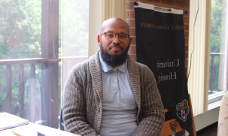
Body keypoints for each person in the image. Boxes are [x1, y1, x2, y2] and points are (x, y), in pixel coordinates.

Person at [61, 17, 165, 136]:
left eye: (122, 36)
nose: (116, 40)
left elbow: (154, 114)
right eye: (109, 35)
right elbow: (72, 119)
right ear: (99, 39)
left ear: (129, 41)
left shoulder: (144, 73)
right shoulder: (78, 74)